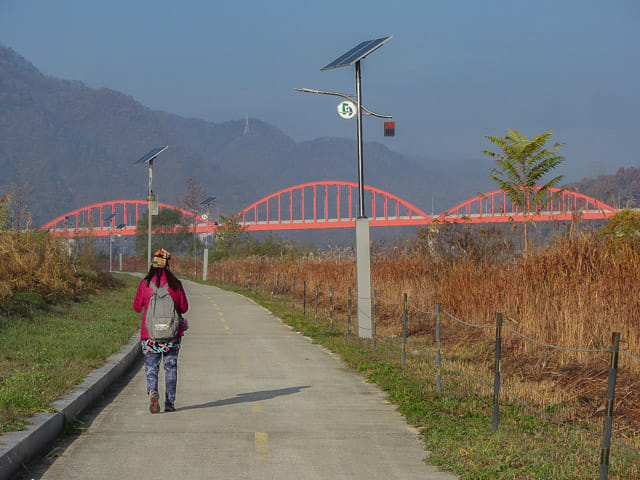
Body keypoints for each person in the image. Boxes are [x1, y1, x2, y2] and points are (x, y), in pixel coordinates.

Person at [133, 248, 189, 413]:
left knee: (152, 367)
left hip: (150, 335)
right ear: (167, 265)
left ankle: (152, 391)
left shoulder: (145, 284)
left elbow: (137, 307)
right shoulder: (175, 284)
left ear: (153, 264)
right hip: (172, 334)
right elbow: (184, 308)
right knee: (170, 367)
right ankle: (170, 403)